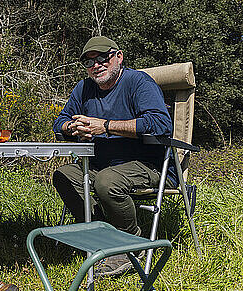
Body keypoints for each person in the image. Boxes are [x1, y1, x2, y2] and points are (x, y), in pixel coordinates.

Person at [52, 36, 172, 276]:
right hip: (99, 164)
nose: (95, 65)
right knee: (63, 175)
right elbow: (60, 121)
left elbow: (160, 124)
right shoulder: (84, 88)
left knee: (106, 182)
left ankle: (129, 246)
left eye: (101, 58)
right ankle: (102, 237)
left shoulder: (138, 82)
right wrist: (73, 128)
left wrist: (105, 126)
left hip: (145, 165)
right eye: (88, 62)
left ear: (118, 56)